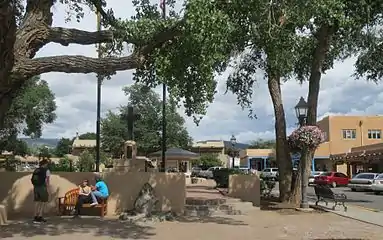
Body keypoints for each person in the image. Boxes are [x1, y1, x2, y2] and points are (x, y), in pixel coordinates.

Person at [30, 159, 50, 223]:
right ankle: (40, 216)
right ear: (45, 164)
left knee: (36, 202)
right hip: (42, 187)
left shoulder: (36, 170)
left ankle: (35, 216)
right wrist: (48, 188)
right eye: (47, 164)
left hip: (36, 187)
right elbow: (47, 181)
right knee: (43, 202)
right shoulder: (47, 170)